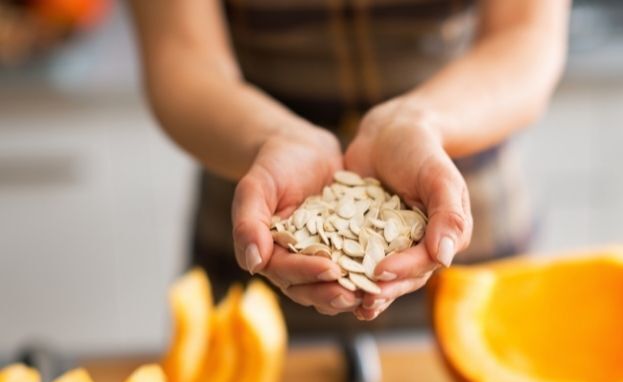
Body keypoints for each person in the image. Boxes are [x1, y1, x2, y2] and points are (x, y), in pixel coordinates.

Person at [128, 0, 570, 330]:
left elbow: (525, 35)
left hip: (463, 210)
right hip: (264, 206)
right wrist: (272, 138)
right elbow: (181, 56)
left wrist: (421, 121)